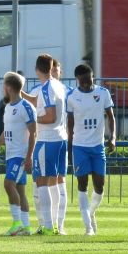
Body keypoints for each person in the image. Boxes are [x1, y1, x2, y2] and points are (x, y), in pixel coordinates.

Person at [66, 63, 116, 235]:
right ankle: (88, 227)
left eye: (89, 80)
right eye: (83, 81)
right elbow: (70, 125)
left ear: (92, 77)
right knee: (82, 184)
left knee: (100, 185)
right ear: (77, 80)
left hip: (97, 146)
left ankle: (91, 212)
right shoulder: (72, 97)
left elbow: (111, 116)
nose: (86, 84)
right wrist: (70, 148)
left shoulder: (102, 93)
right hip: (80, 147)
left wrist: (113, 137)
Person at [22, 53, 68, 235]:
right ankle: (56, 225)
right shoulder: (57, 85)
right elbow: (38, 101)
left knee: (41, 180)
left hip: (48, 139)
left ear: (36, 69)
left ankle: (48, 226)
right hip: (61, 138)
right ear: (51, 68)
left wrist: (34, 119)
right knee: (54, 181)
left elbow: (50, 116)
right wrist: (22, 94)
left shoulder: (47, 88)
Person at [0, 72, 36, 236]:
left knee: (8, 184)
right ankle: (26, 226)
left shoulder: (26, 107)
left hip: (20, 155)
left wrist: (29, 156)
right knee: (20, 190)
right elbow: (7, 130)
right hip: (11, 154)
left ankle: (17, 223)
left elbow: (33, 133)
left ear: (9, 87)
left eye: (4, 85)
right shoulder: (9, 107)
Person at [51, 58, 71, 233]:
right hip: (43, 141)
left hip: (60, 140)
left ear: (60, 72)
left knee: (60, 179)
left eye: (56, 70)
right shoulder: (38, 91)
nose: (53, 73)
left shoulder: (68, 92)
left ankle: (61, 225)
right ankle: (46, 223)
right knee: (41, 182)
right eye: (50, 70)